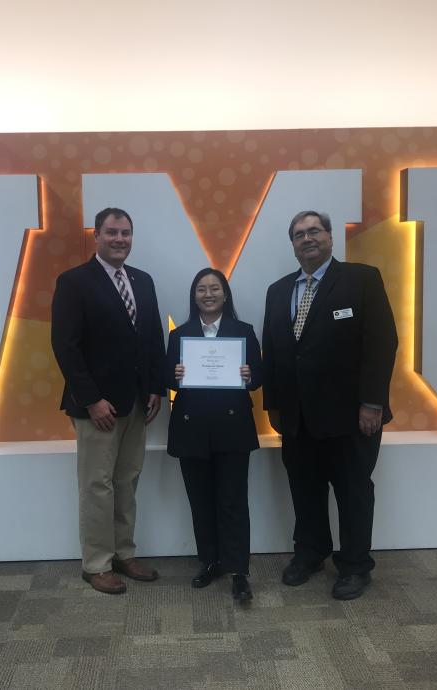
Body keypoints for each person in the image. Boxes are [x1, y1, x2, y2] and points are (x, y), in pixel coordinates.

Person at [262, 210, 397, 600]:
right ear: (292, 244)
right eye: (299, 234)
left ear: (330, 237)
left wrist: (372, 402)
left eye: (314, 231)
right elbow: (274, 350)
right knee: (304, 489)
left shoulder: (361, 280)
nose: (307, 238)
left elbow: (382, 343)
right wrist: (273, 405)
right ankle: (310, 552)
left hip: (352, 416)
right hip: (297, 417)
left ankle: (355, 566)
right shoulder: (278, 290)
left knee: (353, 491)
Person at [51, 207, 167, 595]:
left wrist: (156, 388)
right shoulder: (74, 282)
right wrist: (91, 400)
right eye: (112, 232)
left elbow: (152, 338)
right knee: (97, 485)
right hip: (96, 408)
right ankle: (97, 563)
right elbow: (65, 347)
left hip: (136, 402)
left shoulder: (143, 281)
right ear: (96, 236)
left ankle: (123, 552)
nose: (120, 239)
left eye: (126, 233)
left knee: (126, 480)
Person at [166, 268, 262, 602]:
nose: (208, 294)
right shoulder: (180, 336)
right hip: (191, 429)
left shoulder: (244, 332)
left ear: (225, 294)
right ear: (194, 296)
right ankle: (210, 562)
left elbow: (259, 377)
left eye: (214, 288)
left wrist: (250, 373)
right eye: (201, 289)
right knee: (201, 501)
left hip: (232, 428)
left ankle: (239, 571)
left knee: (233, 502)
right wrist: (174, 373)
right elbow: (166, 376)